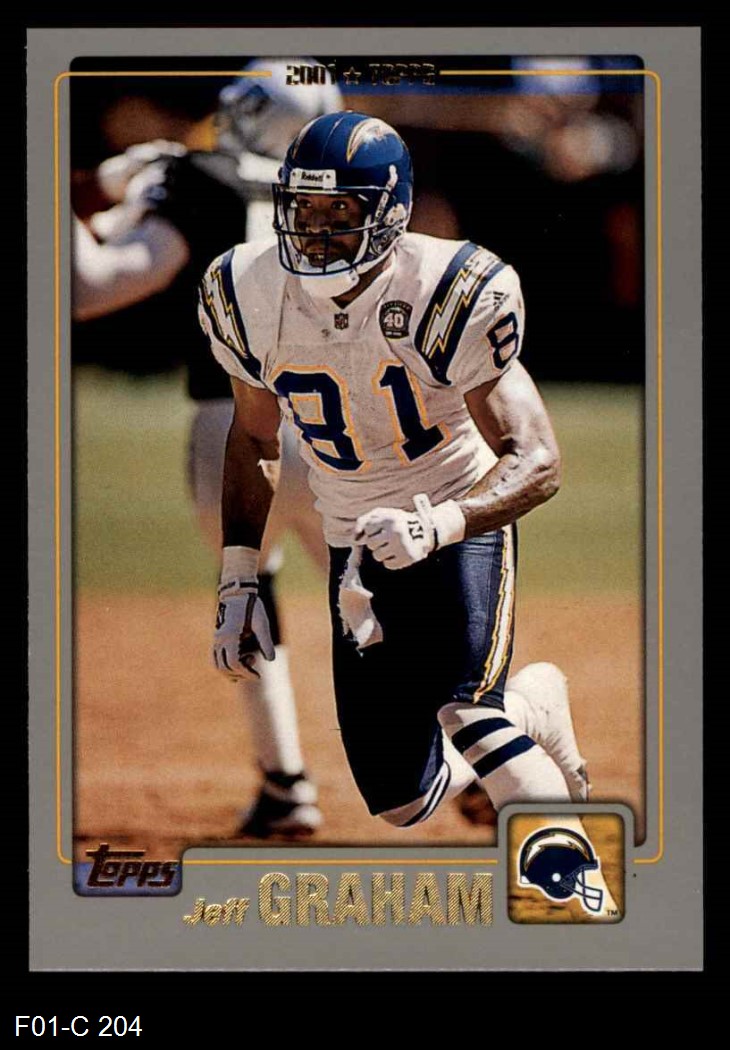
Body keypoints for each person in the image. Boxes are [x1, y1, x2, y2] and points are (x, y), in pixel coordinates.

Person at [200, 110, 589, 830]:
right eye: (304, 209)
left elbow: (537, 459)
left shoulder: (448, 286)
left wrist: (442, 523)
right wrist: (238, 574)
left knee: (471, 715)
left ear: (389, 214)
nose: (316, 231)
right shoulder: (246, 289)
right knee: (403, 800)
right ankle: (534, 706)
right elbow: (253, 434)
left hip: (454, 506)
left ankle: (569, 891)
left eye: (339, 212)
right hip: (350, 532)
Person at [73, 60, 344, 838]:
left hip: (232, 419)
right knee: (378, 600)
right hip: (341, 420)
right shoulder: (341, 190)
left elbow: (92, 287)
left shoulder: (199, 179)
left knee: (248, 590)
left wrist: (68, 196)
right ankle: (474, 760)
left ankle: (286, 785)